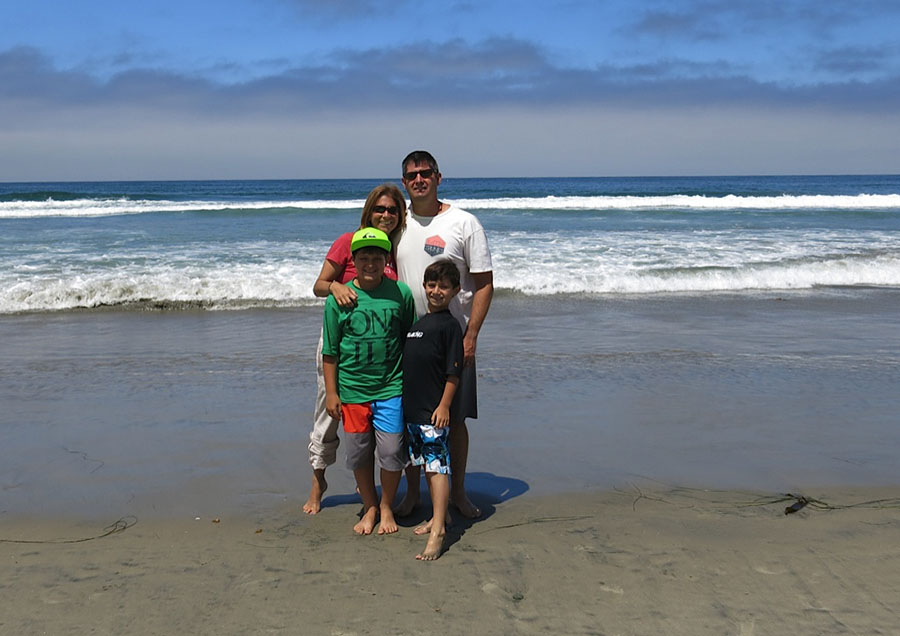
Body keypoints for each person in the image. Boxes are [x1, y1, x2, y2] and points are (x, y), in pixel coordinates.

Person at [395, 151, 494, 519]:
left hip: (452, 339)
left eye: (425, 173)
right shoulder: (398, 223)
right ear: (404, 182)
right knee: (409, 418)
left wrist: (471, 335)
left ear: (438, 177)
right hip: (406, 340)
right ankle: (412, 494)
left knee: (454, 419)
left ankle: (458, 493)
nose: (419, 180)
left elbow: (484, 283)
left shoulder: (464, 223)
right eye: (412, 175)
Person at [303, 184, 406, 515]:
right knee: (329, 413)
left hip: (382, 349)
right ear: (368, 211)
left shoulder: (394, 248)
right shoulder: (348, 241)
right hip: (342, 342)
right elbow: (318, 285)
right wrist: (335, 286)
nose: (386, 215)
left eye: (393, 210)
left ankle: (377, 493)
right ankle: (318, 480)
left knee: (378, 425)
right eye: (380, 209)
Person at [322, 227, 417, 535]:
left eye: (377, 257)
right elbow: (330, 352)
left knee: (391, 452)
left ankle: (386, 505)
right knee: (359, 454)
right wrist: (332, 393)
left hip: (391, 388)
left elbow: (410, 339)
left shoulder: (400, 293)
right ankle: (370, 506)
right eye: (364, 258)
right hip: (353, 392)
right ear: (354, 260)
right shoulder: (339, 300)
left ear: (386, 259)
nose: (371, 264)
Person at [403, 260, 464, 560]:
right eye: (431, 285)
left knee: (438, 468)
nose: (436, 291)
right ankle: (438, 516)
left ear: (455, 290)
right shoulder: (418, 325)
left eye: (444, 286)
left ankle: (439, 529)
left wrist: (444, 405)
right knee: (426, 466)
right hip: (413, 411)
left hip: (433, 412)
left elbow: (454, 373)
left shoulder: (450, 326)